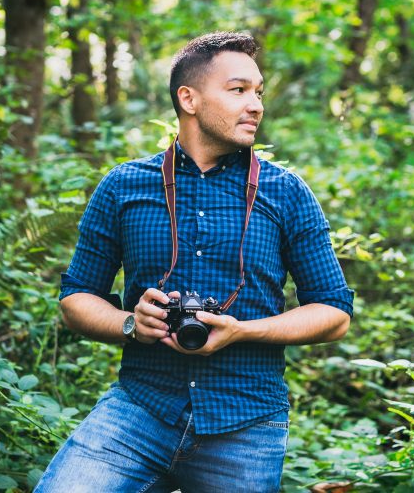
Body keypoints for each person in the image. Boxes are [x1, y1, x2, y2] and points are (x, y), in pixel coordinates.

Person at [35, 32, 353, 493]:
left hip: (246, 421)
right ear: (188, 98)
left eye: (259, 92)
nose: (256, 105)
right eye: (239, 90)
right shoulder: (124, 186)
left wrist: (244, 330)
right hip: (141, 408)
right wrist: (130, 323)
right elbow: (76, 297)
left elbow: (335, 313)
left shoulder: (287, 192)